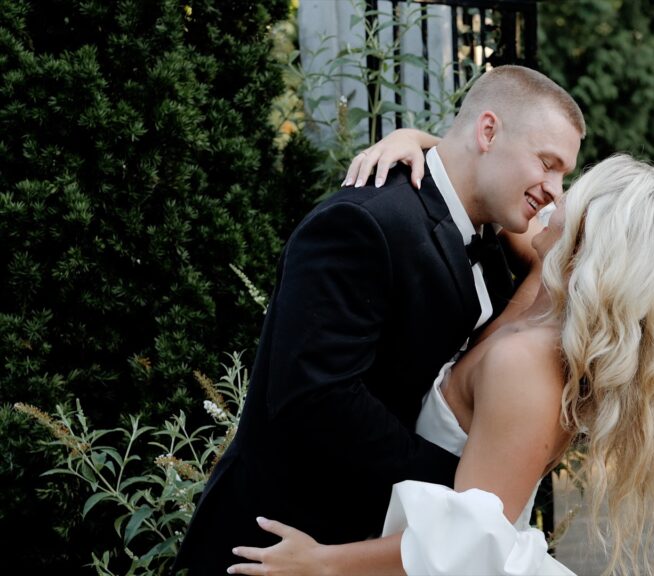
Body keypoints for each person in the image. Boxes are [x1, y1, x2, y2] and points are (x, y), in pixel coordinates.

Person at [172, 65, 585, 575]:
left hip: (382, 547)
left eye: (563, 174)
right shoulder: (363, 222)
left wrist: (418, 137)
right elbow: (315, 396)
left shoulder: (499, 243)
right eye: (547, 164)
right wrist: (457, 488)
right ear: (488, 131)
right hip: (281, 544)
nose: (554, 190)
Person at [226, 153, 654, 576]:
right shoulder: (547, 297)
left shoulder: (528, 365)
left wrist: (323, 562)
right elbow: (482, 171)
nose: (557, 194)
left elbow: (467, 542)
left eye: (578, 190)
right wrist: (419, 144)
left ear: (591, 236)